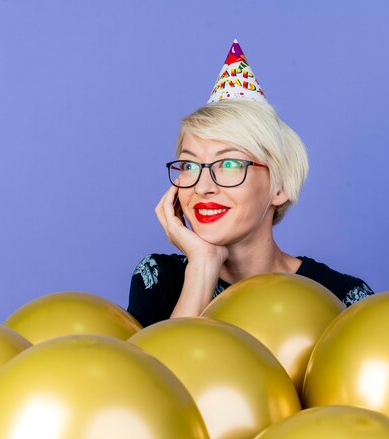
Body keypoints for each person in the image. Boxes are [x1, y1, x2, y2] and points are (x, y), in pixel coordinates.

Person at [127, 40, 372, 327]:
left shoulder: (341, 299)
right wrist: (203, 266)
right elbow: (157, 371)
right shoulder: (159, 279)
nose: (203, 187)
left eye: (229, 164)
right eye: (190, 165)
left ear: (279, 187)